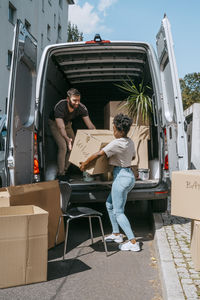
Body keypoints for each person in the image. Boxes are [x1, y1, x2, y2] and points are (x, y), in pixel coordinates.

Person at [80, 113, 140, 252]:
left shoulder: (116, 143)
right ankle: (116, 234)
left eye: (113, 129)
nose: (113, 132)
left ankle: (133, 242)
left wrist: (85, 164)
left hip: (121, 178)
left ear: (120, 130)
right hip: (128, 175)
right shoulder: (129, 141)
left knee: (119, 212)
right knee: (109, 204)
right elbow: (132, 156)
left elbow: (98, 154)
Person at [49, 88, 95, 181]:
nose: (77, 103)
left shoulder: (81, 108)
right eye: (74, 100)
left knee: (74, 148)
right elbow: (61, 127)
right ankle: (61, 175)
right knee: (63, 147)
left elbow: (90, 125)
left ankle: (64, 171)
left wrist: (97, 136)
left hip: (67, 124)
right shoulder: (60, 106)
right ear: (68, 99)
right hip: (55, 124)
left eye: (78, 100)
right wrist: (67, 139)